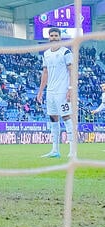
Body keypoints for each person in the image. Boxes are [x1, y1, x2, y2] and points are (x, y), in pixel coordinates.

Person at [36, 27, 76, 158]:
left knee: (66, 117)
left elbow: (72, 71)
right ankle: (55, 150)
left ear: (60, 37)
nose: (53, 38)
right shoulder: (46, 54)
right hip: (51, 91)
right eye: (51, 35)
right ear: (49, 38)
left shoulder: (66, 52)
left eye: (55, 35)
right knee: (53, 118)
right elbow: (45, 73)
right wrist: (40, 91)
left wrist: (70, 89)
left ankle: (72, 150)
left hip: (62, 91)